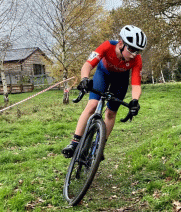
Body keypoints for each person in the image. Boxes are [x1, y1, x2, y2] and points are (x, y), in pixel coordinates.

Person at [62, 25, 147, 159]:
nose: (133, 54)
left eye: (137, 51)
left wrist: (135, 100)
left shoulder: (136, 60)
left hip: (120, 80)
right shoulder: (107, 46)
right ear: (121, 44)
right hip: (103, 74)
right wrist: (85, 79)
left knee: (111, 112)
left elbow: (136, 83)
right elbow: (88, 64)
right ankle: (74, 142)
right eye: (131, 49)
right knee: (92, 105)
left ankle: (99, 146)